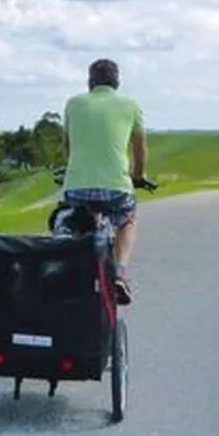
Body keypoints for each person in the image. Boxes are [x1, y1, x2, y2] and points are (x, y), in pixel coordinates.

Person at [60, 58, 149, 303]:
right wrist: (139, 176)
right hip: (116, 188)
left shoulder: (73, 104)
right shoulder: (130, 105)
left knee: (69, 220)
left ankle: (68, 265)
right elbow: (140, 149)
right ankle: (119, 273)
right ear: (117, 81)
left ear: (90, 82)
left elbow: (67, 146)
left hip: (76, 185)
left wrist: (71, 168)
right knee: (128, 220)